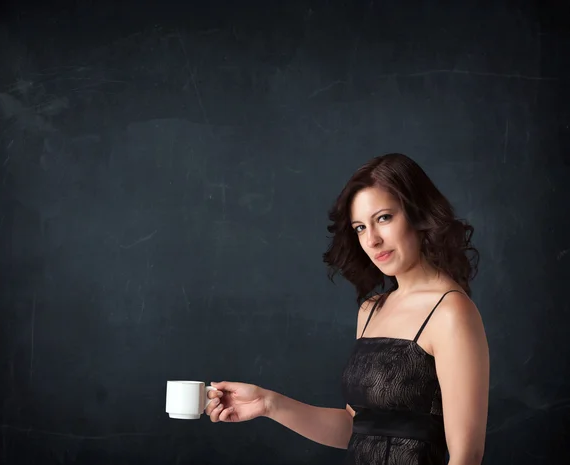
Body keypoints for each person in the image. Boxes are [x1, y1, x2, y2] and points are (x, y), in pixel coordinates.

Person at [205, 153, 489, 465]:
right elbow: (354, 428)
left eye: (383, 218)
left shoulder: (452, 312)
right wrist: (267, 403)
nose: (373, 240)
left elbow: (467, 455)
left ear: (417, 213)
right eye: (359, 228)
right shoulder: (371, 310)